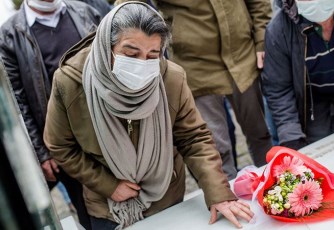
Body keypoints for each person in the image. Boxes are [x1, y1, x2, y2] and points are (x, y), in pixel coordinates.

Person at [43, 2, 254, 229]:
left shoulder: (170, 78)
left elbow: (194, 138)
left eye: (152, 54)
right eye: (130, 53)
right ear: (107, 45)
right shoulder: (71, 83)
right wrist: (108, 185)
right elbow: (60, 145)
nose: (141, 64)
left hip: (166, 198)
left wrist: (218, 192)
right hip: (108, 208)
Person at [117, 0, 273, 179]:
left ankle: (275, 189)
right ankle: (228, 199)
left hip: (243, 57)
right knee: (214, 149)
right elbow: (128, 8)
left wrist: (262, 37)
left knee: (260, 133)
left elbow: (259, 3)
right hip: (196, 68)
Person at [0, 0, 102, 229]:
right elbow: (19, 102)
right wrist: (42, 152)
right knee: (90, 216)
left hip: (106, 131)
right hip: (65, 146)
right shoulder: (10, 35)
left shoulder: (83, 11)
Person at [261, 0, 334, 150]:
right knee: (320, 151)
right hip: (311, 101)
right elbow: (279, 89)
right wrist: (291, 137)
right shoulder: (278, 30)